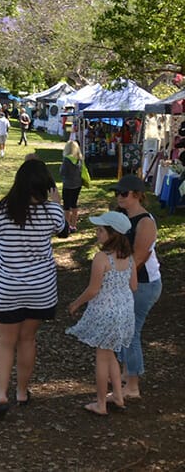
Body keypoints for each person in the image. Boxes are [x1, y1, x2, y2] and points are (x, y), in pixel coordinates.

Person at [0, 159, 67, 417]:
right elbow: (63, 230)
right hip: (40, 288)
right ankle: (22, 391)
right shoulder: (52, 211)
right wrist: (57, 201)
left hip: (6, 286)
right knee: (28, 339)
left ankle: (1, 395)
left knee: (5, 342)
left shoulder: (1, 211)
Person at [66, 211, 137, 415]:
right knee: (111, 355)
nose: (97, 233)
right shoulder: (130, 257)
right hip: (125, 311)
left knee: (101, 358)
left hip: (106, 312)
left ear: (112, 234)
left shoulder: (101, 258)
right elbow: (133, 285)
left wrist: (76, 304)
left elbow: (93, 289)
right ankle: (118, 396)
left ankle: (101, 403)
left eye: (100, 230)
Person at [111, 174, 162, 400]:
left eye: (123, 193)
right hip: (128, 281)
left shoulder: (145, 222)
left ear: (136, 195)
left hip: (143, 284)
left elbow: (138, 258)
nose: (119, 197)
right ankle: (126, 373)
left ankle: (132, 386)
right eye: (117, 193)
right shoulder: (123, 216)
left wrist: (114, 280)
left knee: (130, 333)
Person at [58, 140, 85, 231]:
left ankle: (67, 225)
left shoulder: (67, 159)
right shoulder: (79, 158)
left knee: (66, 205)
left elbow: (63, 172)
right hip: (77, 184)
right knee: (74, 204)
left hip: (68, 184)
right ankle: (73, 225)